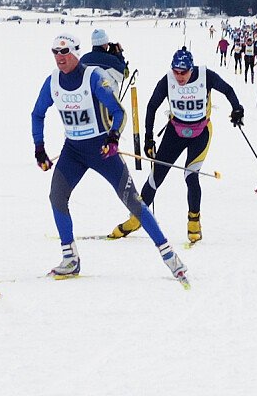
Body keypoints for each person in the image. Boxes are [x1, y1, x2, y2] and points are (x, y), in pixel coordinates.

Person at [32, 34, 187, 285]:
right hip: (73, 151)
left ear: (76, 52)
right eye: (55, 52)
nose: (59, 57)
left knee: (133, 202)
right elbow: (37, 114)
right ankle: (70, 259)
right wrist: (39, 148)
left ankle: (170, 256)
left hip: (101, 150)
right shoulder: (52, 82)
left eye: (64, 52)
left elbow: (118, 112)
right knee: (57, 197)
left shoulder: (92, 78)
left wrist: (113, 137)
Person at [109, 48, 243, 243]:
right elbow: (152, 106)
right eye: (176, 72)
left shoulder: (205, 76)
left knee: (190, 175)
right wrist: (148, 138)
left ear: (191, 69)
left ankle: (194, 222)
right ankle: (137, 218)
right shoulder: (167, 80)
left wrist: (237, 108)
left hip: (200, 133)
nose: (179, 77)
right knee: (156, 176)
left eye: (183, 72)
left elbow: (228, 90)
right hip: (175, 132)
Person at [80, 28, 129, 93]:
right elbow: (124, 75)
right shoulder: (110, 60)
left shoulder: (83, 59)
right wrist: (119, 56)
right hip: (107, 97)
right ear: (105, 44)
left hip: (87, 96)